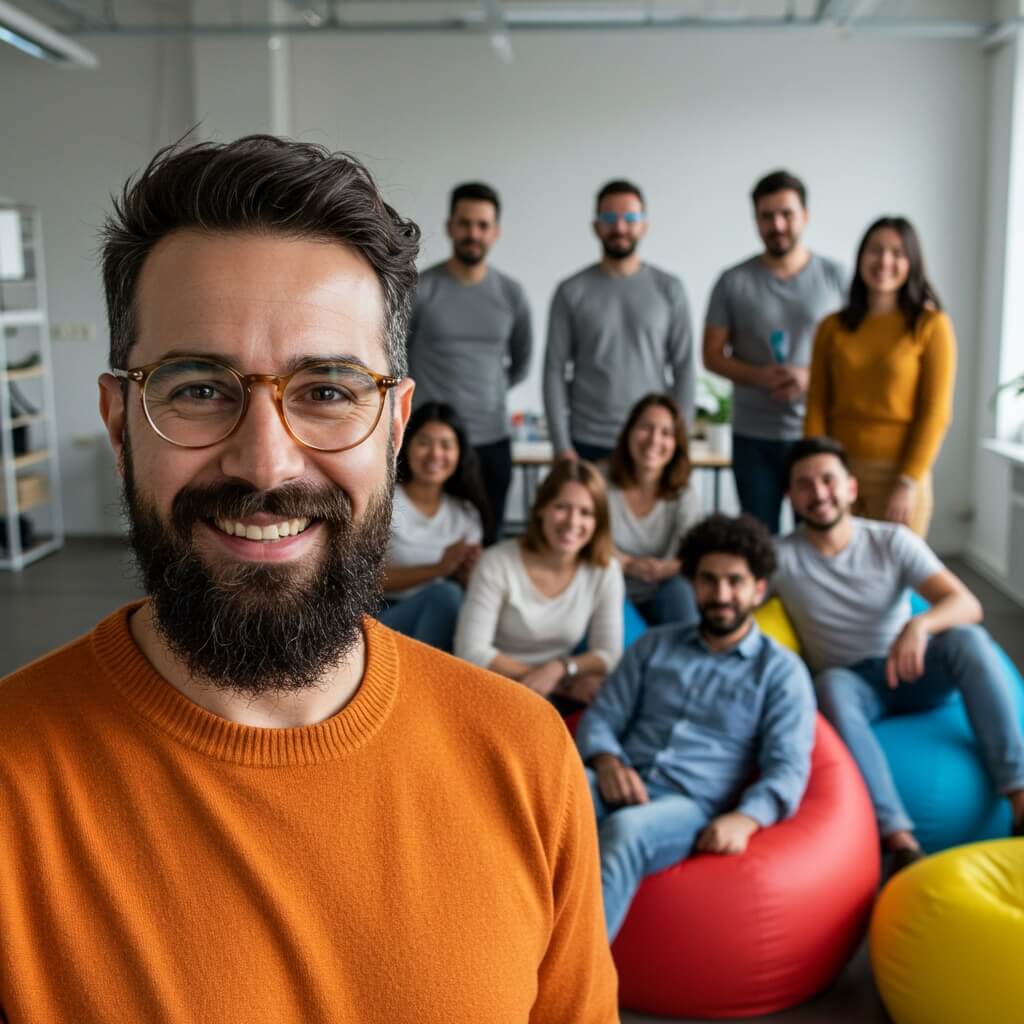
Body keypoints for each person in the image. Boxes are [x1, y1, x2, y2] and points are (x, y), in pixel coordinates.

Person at [0, 136, 617, 1022]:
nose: (264, 464)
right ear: (118, 419)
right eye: (198, 387)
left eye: (327, 389)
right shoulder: (13, 791)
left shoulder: (524, 760)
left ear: (395, 423)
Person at [777, 437, 1024, 870]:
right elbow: (726, 576)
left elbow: (968, 604)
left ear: (851, 488)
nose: (819, 493)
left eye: (828, 480)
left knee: (970, 639)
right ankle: (900, 841)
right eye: (804, 485)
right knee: (828, 685)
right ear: (790, 497)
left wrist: (919, 624)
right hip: (853, 686)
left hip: (913, 669)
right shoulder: (779, 556)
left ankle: (1020, 800)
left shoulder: (890, 540)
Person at [576, 514, 816, 939]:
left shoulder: (781, 672)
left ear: (758, 589)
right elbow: (602, 716)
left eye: (735, 582)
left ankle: (568, 993)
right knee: (548, 796)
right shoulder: (653, 646)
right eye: (708, 580)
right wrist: (608, 761)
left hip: (688, 806)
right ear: (692, 584)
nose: (720, 594)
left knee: (626, 831)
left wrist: (745, 819)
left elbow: (787, 767)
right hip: (616, 779)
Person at [703, 169, 846, 534]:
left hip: (816, 432)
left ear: (805, 216)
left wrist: (808, 378)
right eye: (767, 216)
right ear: (756, 221)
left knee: (819, 536)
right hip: (754, 435)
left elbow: (854, 358)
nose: (777, 224)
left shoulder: (837, 278)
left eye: (787, 214)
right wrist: (759, 377)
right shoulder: (733, 281)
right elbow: (713, 354)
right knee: (758, 538)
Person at [805, 216, 956, 537]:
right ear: (861, 256)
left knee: (893, 580)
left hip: (899, 476)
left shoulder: (930, 326)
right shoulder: (832, 327)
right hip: (839, 475)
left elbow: (936, 413)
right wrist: (819, 474)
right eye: (875, 250)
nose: (884, 261)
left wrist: (908, 481)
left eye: (897, 253)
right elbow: (816, 404)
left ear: (911, 262)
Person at [406, 182, 532, 541]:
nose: (473, 234)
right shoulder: (421, 289)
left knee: (487, 543)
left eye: (482, 225)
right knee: (423, 542)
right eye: (465, 224)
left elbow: (521, 362)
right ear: (450, 227)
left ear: (495, 232)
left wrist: (487, 391)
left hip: (491, 438)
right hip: (429, 441)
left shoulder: (512, 294)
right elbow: (397, 358)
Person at [543, 179, 695, 464]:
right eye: (609, 218)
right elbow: (553, 370)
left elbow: (685, 368)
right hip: (587, 440)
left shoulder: (669, 289)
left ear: (644, 225)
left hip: (649, 442)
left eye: (630, 218)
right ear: (596, 226)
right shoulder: (571, 291)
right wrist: (561, 446)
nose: (620, 227)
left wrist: (677, 439)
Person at [455, 459, 624, 708]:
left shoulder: (605, 570)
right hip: (494, 685)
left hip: (561, 688)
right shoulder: (496, 562)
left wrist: (561, 668)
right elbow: (471, 651)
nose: (572, 522)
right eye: (562, 507)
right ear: (541, 508)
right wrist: (555, 681)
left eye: (585, 513)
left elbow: (608, 654)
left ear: (598, 522)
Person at [377, 402, 486, 651]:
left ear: (460, 453)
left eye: (446, 445)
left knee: (454, 601)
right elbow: (366, 582)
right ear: (406, 445)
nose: (435, 454)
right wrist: (439, 568)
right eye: (424, 443)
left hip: (443, 617)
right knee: (445, 596)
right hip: (381, 615)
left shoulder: (466, 513)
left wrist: (468, 572)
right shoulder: (383, 503)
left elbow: (469, 588)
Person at [605, 392, 701, 626]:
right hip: (611, 584)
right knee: (630, 646)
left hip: (665, 586)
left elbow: (693, 551)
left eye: (666, 433)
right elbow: (584, 543)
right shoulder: (599, 481)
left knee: (682, 596)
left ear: (676, 444)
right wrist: (628, 564)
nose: (654, 440)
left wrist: (665, 568)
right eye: (645, 428)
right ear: (628, 432)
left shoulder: (684, 492)